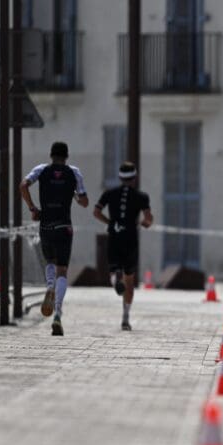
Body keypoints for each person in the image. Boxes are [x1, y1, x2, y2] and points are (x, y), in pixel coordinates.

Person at [20, 141, 89, 336]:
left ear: (51, 155)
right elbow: (85, 202)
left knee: (49, 262)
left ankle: (49, 286)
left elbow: (23, 185)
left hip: (46, 225)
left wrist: (33, 208)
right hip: (64, 227)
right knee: (63, 270)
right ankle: (58, 313)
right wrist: (74, 194)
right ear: (66, 156)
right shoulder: (74, 172)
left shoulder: (41, 170)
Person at [93, 161, 154, 331]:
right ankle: (126, 317)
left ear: (120, 177)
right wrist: (144, 223)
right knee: (129, 278)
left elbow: (96, 212)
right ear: (135, 178)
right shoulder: (142, 196)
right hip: (131, 238)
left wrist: (109, 222)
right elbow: (148, 218)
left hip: (114, 236)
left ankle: (114, 280)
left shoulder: (109, 193)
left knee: (114, 269)